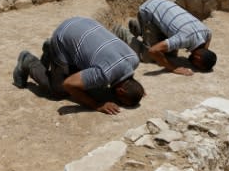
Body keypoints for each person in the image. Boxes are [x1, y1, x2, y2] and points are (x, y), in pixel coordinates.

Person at [13, 17, 145, 114]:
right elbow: (68, 84)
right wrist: (97, 105)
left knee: (90, 83)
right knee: (58, 91)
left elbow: (131, 85)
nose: (118, 102)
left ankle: (51, 50)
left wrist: (136, 91)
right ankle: (28, 61)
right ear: (120, 91)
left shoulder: (134, 60)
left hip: (83, 23)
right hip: (63, 36)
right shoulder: (104, 74)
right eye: (121, 100)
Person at [115, 0, 217, 76]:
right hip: (148, 11)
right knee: (149, 57)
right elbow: (153, 51)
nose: (194, 66)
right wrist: (173, 68)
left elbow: (208, 39)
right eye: (197, 65)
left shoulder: (206, 33)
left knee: (169, 55)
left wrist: (204, 52)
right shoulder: (185, 38)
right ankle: (122, 32)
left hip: (161, 4)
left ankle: (138, 28)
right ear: (198, 57)